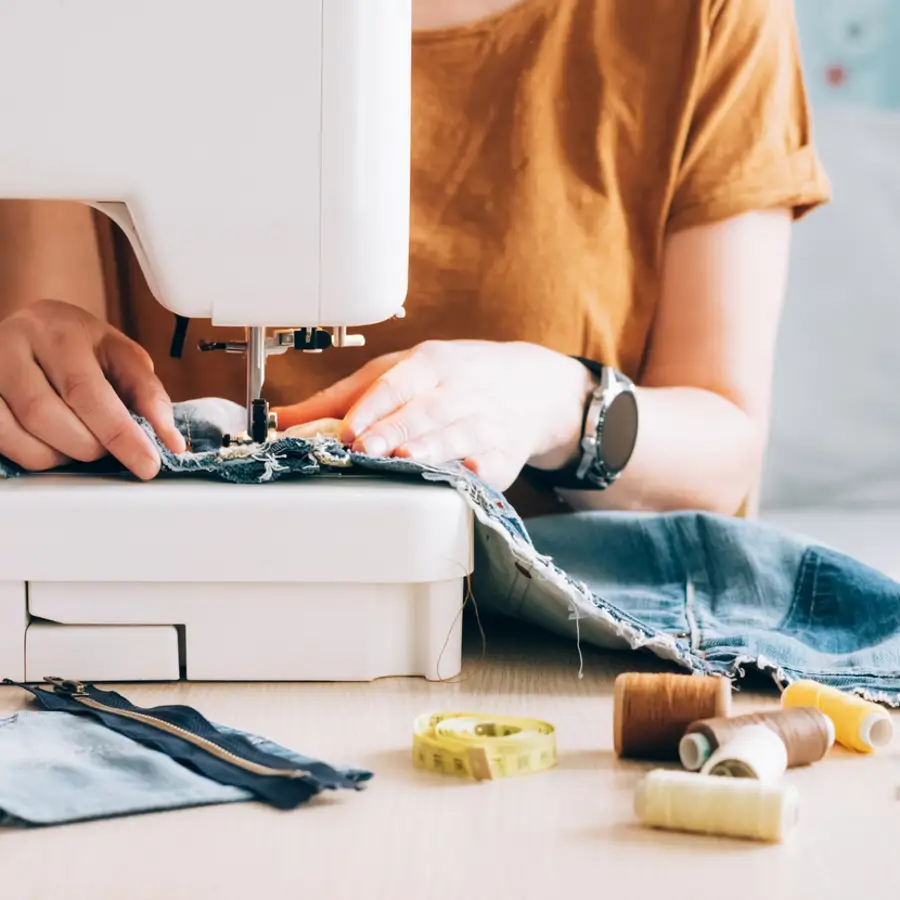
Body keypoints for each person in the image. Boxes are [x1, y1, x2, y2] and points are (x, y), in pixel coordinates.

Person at [0, 0, 830, 519]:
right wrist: (38, 364)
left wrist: (558, 405)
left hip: (558, 655)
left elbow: (724, 451)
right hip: (179, 622)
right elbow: (61, 405)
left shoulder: (706, 13)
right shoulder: (83, 17)